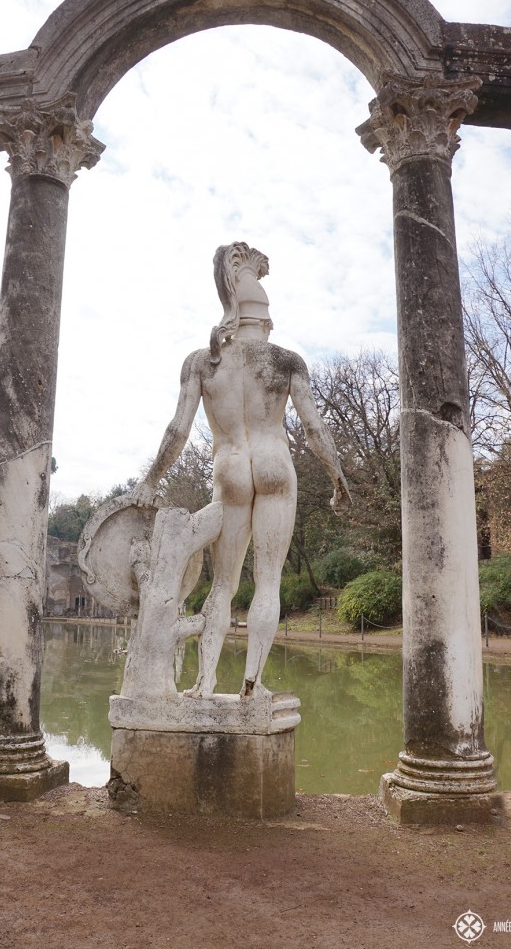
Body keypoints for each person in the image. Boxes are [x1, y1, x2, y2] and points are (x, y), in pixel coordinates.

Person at [132, 242, 350, 698]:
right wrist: (336, 478)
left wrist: (151, 480)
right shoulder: (287, 361)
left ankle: (205, 683)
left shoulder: (202, 361)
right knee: (267, 581)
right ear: (267, 318)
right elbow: (314, 429)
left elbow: (178, 430)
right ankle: (252, 685)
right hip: (275, 467)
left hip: (229, 468)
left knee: (224, 585)